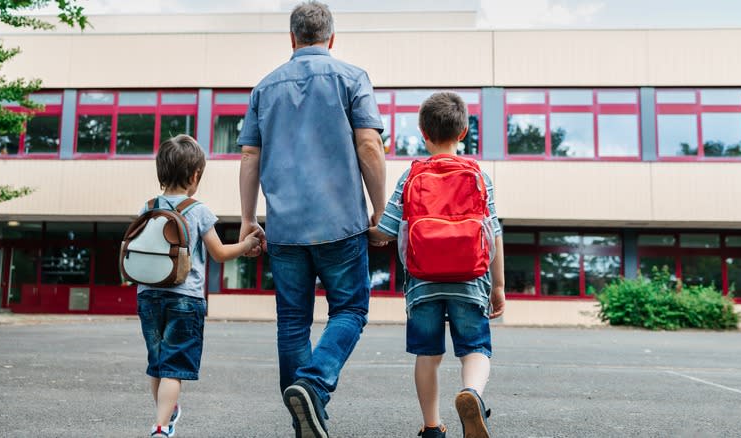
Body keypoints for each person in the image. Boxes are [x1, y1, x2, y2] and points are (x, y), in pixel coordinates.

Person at [236, 1, 386, 437]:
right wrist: (380, 211)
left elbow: (249, 155)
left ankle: (304, 418)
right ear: (331, 38)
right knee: (351, 309)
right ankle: (313, 385)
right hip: (341, 223)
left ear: (292, 38)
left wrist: (248, 219)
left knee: (292, 323)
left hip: (285, 228)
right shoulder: (352, 78)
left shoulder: (265, 87)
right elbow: (369, 147)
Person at [368, 92, 506, 438]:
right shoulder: (478, 175)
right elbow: (493, 234)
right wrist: (499, 287)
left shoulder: (411, 175)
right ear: (463, 133)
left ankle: (432, 426)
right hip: (471, 279)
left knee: (427, 354)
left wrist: (364, 229)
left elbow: (385, 232)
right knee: (475, 348)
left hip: (422, 282)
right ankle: (471, 392)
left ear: (422, 132)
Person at [136, 134, 262, 438]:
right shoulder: (198, 210)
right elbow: (219, 253)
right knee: (174, 366)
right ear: (195, 175)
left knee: (157, 362)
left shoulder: (148, 206)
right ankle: (160, 427)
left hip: (148, 296)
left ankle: (164, 413)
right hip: (184, 299)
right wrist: (246, 244)